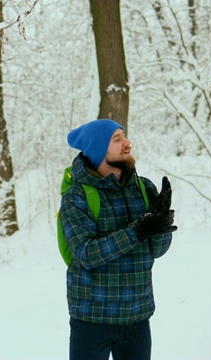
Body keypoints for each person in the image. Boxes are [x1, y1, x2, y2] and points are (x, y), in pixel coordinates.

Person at [59, 119, 177, 360]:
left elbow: (156, 251)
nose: (127, 143)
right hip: (91, 319)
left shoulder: (142, 188)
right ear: (99, 149)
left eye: (124, 135)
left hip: (137, 318)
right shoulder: (77, 196)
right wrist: (138, 230)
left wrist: (161, 226)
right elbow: (87, 254)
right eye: (117, 139)